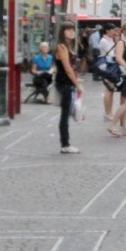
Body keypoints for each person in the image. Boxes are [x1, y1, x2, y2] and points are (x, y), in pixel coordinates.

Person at [54, 24, 83, 154]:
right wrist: (77, 84)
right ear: (62, 32)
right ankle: (65, 144)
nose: (71, 32)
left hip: (67, 82)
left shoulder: (68, 46)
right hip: (65, 83)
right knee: (65, 114)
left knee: (66, 113)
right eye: (68, 30)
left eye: (73, 30)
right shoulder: (62, 47)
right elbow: (67, 68)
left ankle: (65, 144)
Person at [98, 24, 119, 122]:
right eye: (112, 30)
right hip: (106, 66)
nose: (114, 32)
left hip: (112, 66)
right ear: (107, 31)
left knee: (111, 90)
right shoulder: (104, 41)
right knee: (108, 89)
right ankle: (107, 113)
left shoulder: (111, 40)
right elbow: (112, 54)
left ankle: (109, 112)